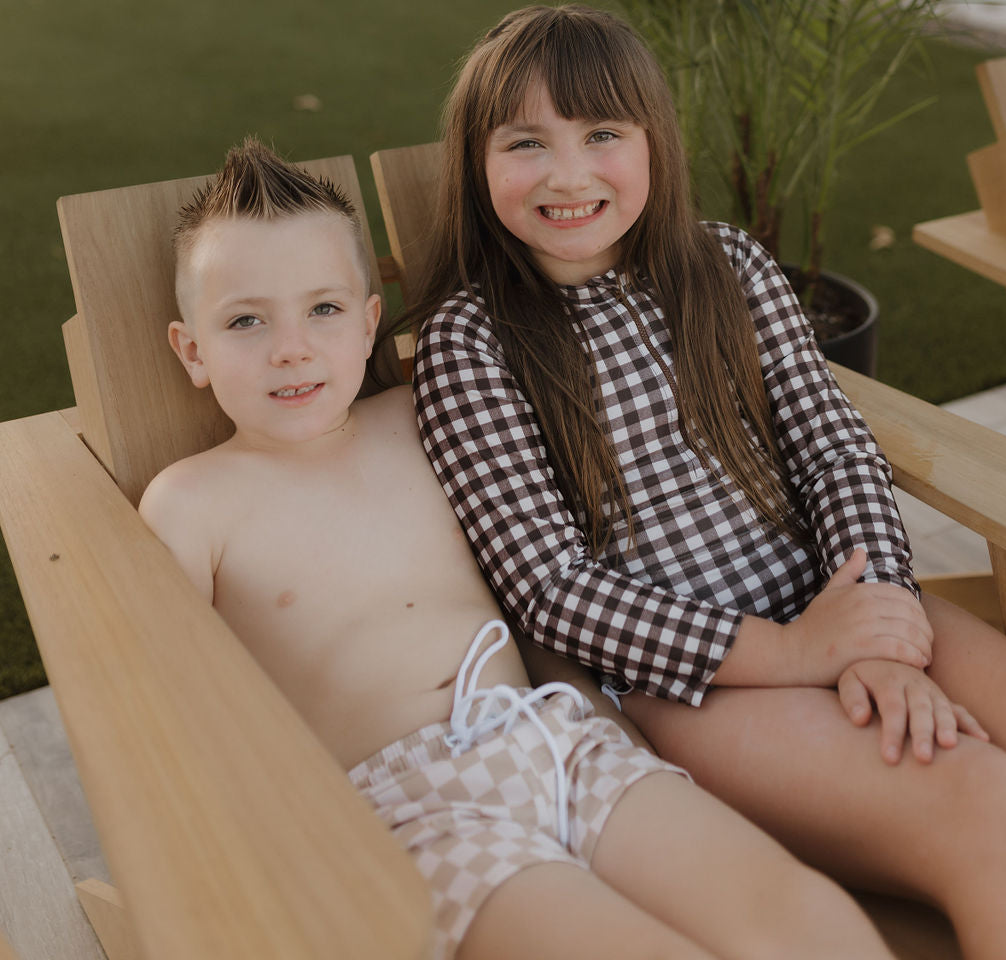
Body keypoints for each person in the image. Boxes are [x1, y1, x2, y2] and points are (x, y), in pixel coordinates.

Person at [139, 138, 889, 960]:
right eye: (245, 320)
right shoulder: (193, 500)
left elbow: (531, 581)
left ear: (367, 325)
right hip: (403, 808)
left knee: (798, 914)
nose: (290, 346)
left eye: (322, 309)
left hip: (562, 740)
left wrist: (608, 721)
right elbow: (164, 706)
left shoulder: (429, 423)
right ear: (192, 351)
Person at [411, 3, 1006, 960]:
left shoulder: (725, 265)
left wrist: (878, 627)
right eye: (526, 143)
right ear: (475, 164)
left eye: (602, 133)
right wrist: (793, 653)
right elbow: (550, 588)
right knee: (992, 810)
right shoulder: (473, 338)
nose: (568, 174)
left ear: (654, 141)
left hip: (837, 597)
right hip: (694, 683)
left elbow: (834, 449)